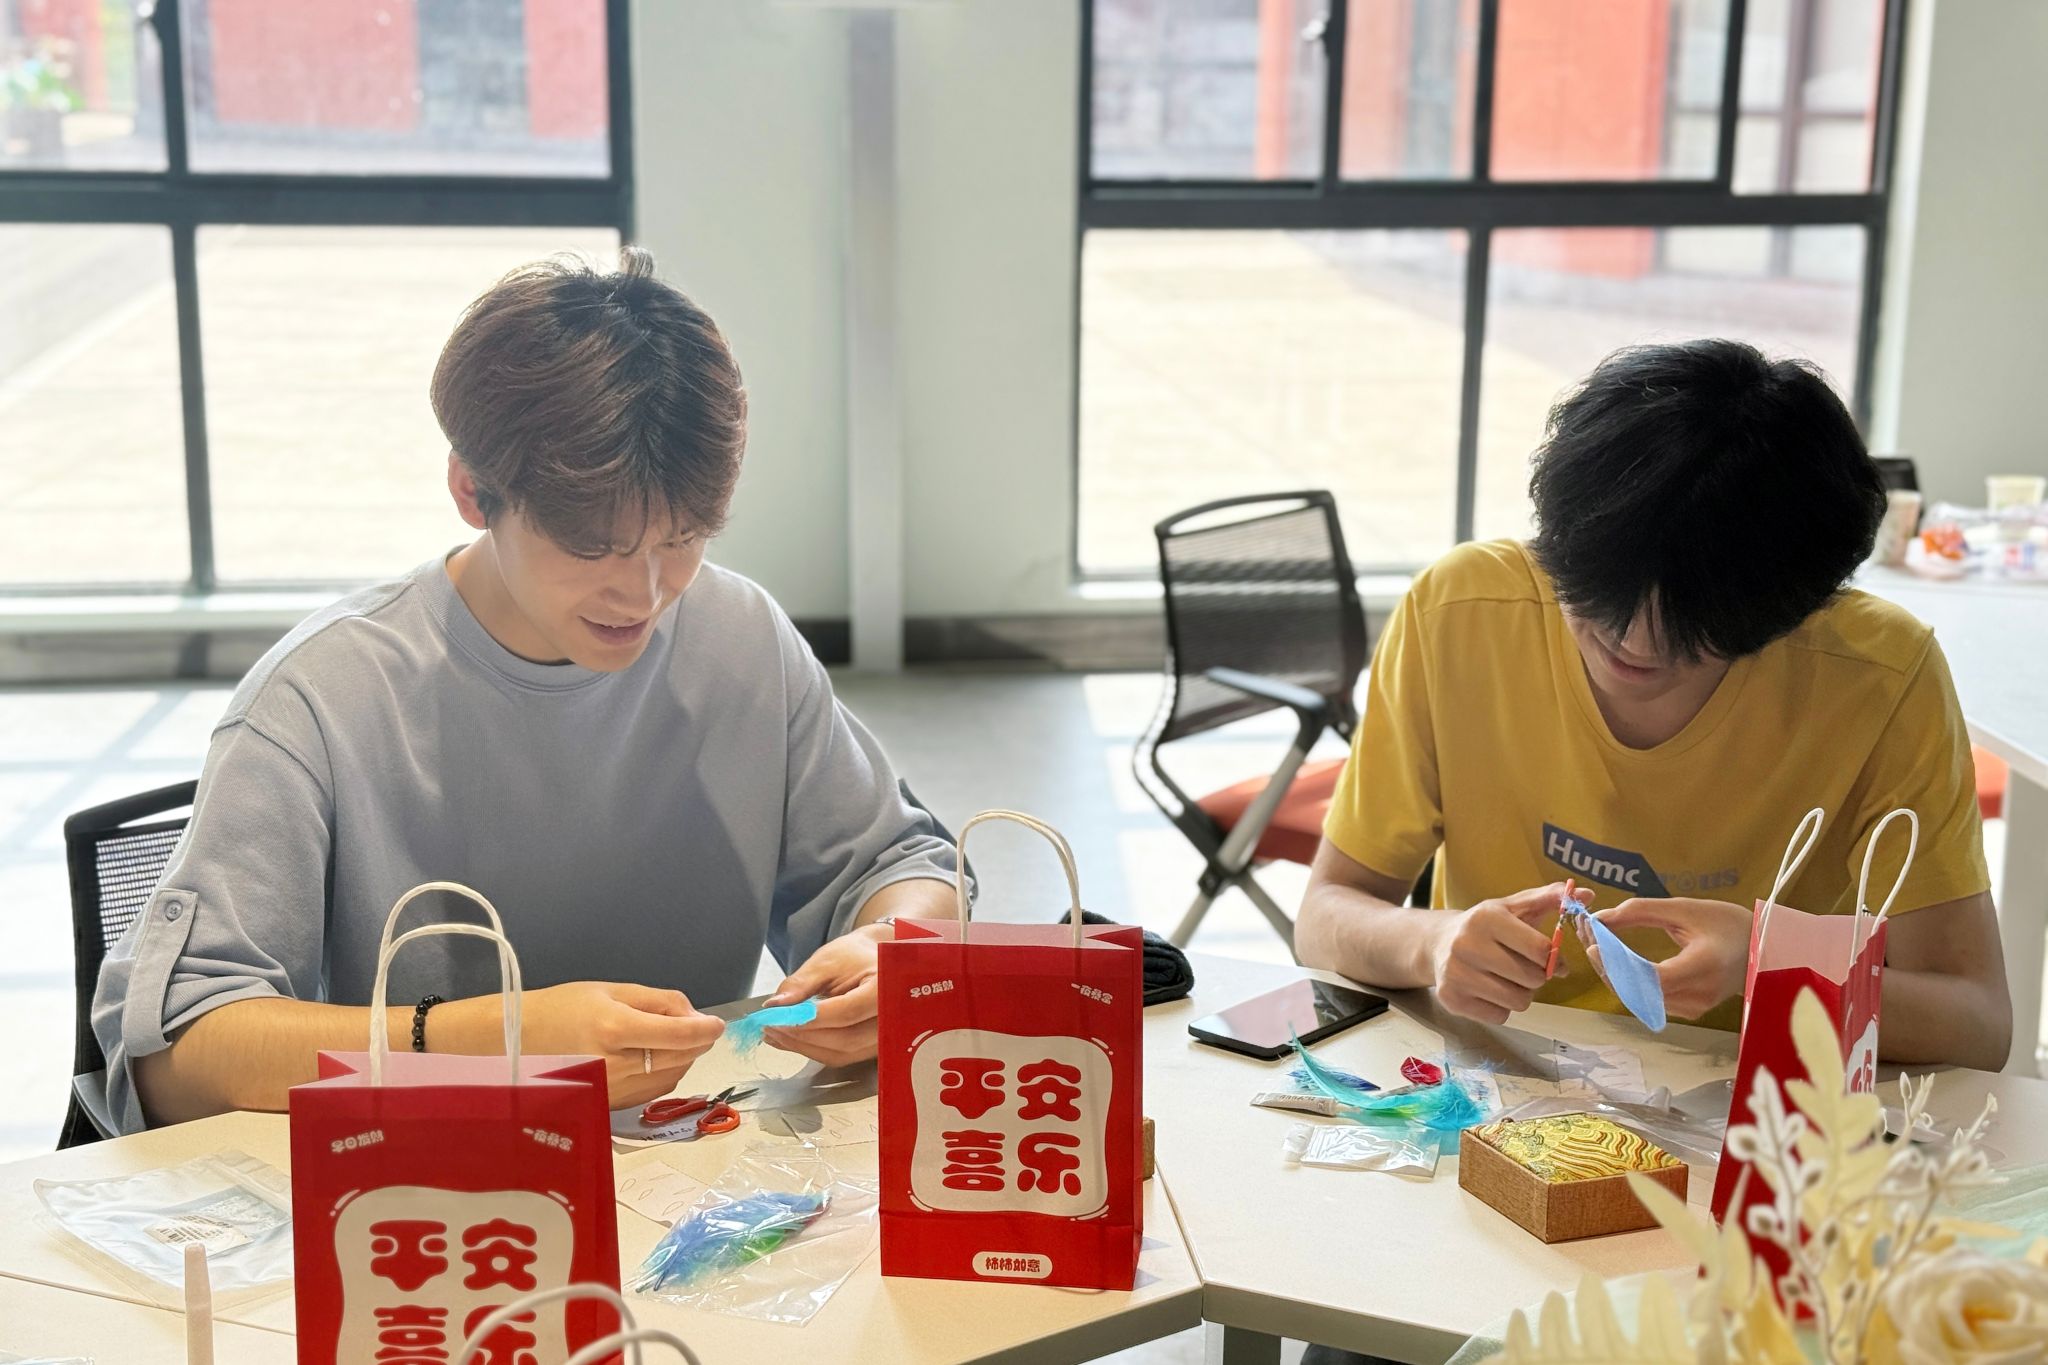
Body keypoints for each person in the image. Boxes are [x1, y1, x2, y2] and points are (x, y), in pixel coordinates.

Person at [90, 248, 962, 1134]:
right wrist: (495, 1042)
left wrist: (892, 948)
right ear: (473, 491)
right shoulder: (324, 696)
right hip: (427, 1184)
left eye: (683, 539)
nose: (644, 592)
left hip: (690, 1165)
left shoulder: (742, 640)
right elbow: (174, 1061)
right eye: (592, 547)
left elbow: (902, 865)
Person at [1297, 338, 2011, 1070]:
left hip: (1752, 1106)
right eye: (1601, 600)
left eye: (1695, 627)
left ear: (1790, 610)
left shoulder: (1879, 675)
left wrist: (1768, 967)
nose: (1634, 643)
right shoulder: (1462, 611)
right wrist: (1434, 940)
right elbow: (1325, 915)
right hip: (1497, 1087)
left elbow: (1976, 1021)